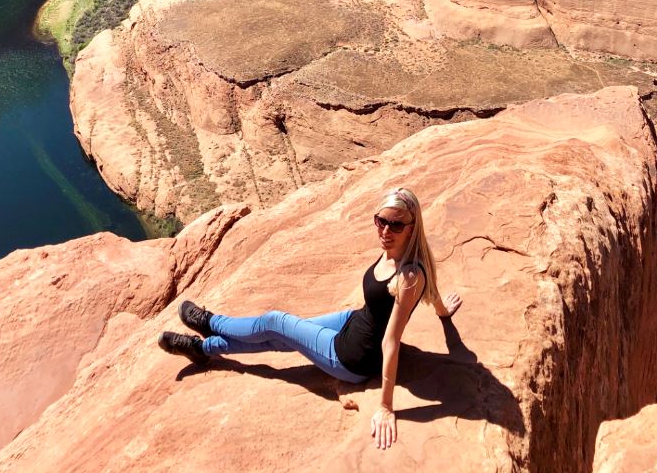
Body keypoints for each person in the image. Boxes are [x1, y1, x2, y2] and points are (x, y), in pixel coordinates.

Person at [159, 186, 463, 450]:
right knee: (280, 340)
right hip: (353, 322)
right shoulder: (397, 250)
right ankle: (204, 349)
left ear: (412, 226)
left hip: (351, 358)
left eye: (396, 225)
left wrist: (385, 406)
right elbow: (432, 290)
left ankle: (210, 322)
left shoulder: (409, 274)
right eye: (381, 221)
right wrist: (443, 312)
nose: (386, 231)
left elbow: (392, 341)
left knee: (275, 323)